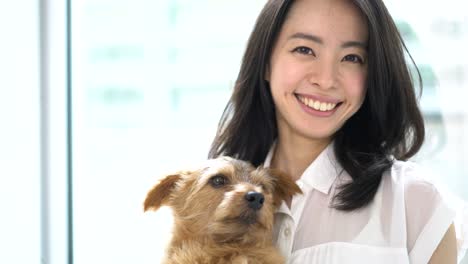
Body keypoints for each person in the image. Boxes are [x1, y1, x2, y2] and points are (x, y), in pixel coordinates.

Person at [208, 0, 467, 263]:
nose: (326, 79)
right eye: (304, 49)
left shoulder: (416, 203)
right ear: (265, 61)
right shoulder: (208, 203)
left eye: (352, 58)